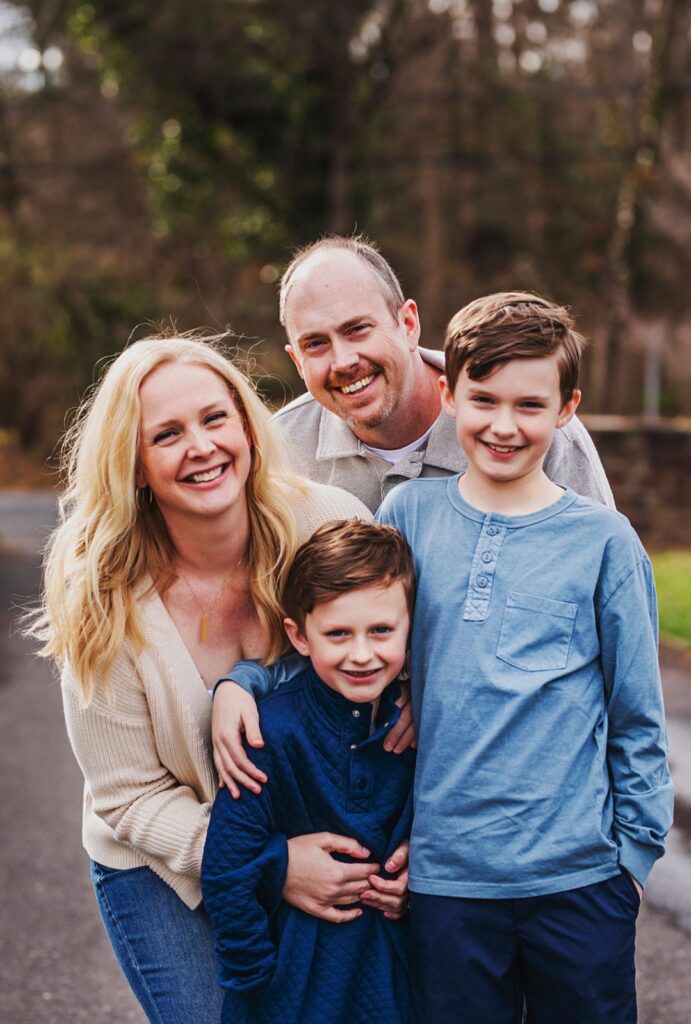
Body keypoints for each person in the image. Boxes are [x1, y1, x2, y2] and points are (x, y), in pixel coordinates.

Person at [27, 333, 411, 1024]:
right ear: (135, 465)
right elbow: (129, 795)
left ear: (246, 426)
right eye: (167, 434)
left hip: (313, 830)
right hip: (162, 862)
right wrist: (270, 864)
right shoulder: (105, 595)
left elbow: (397, 651)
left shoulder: (325, 523)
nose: (201, 447)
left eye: (213, 419)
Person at [375, 292, 674, 1023]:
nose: (503, 426)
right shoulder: (405, 518)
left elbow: (636, 715)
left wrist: (630, 865)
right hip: (446, 886)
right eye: (482, 399)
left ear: (565, 409)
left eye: (529, 405)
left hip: (578, 883)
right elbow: (346, 659)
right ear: (447, 395)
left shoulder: (603, 543)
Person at [202, 520, 416, 1024]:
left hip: (393, 977)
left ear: (411, 625)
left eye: (381, 631)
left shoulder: (417, 729)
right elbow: (227, 870)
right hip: (292, 984)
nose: (361, 654)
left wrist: (421, 879)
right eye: (338, 634)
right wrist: (255, 981)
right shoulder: (268, 731)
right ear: (299, 636)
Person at [273, 234, 614, 514]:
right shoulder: (279, 452)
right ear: (298, 362)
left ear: (408, 324)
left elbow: (599, 566)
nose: (344, 361)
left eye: (358, 329)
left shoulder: (533, 428)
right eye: (316, 344)